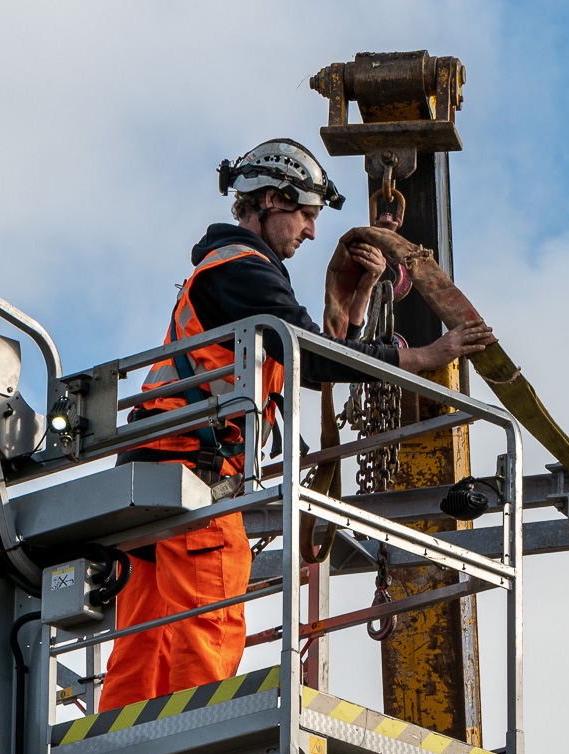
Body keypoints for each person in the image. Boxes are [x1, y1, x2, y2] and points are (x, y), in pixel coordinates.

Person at [98, 139, 496, 711]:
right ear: (269, 201)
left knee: (148, 632)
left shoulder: (228, 273)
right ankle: (197, 740)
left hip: (153, 471)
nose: (311, 231)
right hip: (193, 473)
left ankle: (121, 738)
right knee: (206, 619)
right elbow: (313, 354)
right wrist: (426, 357)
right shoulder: (245, 270)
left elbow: (308, 364)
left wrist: (358, 296)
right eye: (306, 214)